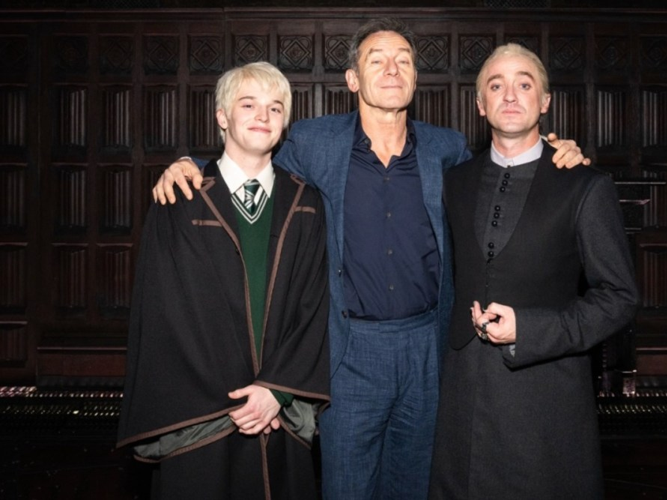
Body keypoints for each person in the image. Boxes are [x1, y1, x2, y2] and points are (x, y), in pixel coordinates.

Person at [151, 19, 587, 500]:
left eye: (404, 61)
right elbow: (252, 163)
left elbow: (503, 171)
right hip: (349, 352)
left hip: (427, 347)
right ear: (353, 79)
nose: (392, 69)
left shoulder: (446, 148)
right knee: (347, 487)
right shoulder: (314, 143)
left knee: (415, 486)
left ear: (415, 78)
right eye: (377, 60)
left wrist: (553, 152)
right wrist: (192, 166)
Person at [428, 43, 640, 499]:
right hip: (464, 400)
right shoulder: (454, 182)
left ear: (544, 102)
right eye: (496, 86)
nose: (510, 95)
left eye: (524, 85)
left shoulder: (585, 186)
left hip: (545, 400)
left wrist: (530, 329)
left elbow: (619, 297)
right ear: (480, 104)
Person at [117, 62, 330, 500]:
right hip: (200, 411)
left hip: (278, 412)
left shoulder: (306, 202)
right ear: (221, 116)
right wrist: (233, 397)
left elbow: (314, 307)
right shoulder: (179, 199)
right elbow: (163, 314)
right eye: (248, 104)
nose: (262, 116)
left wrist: (276, 390)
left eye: (275, 108)